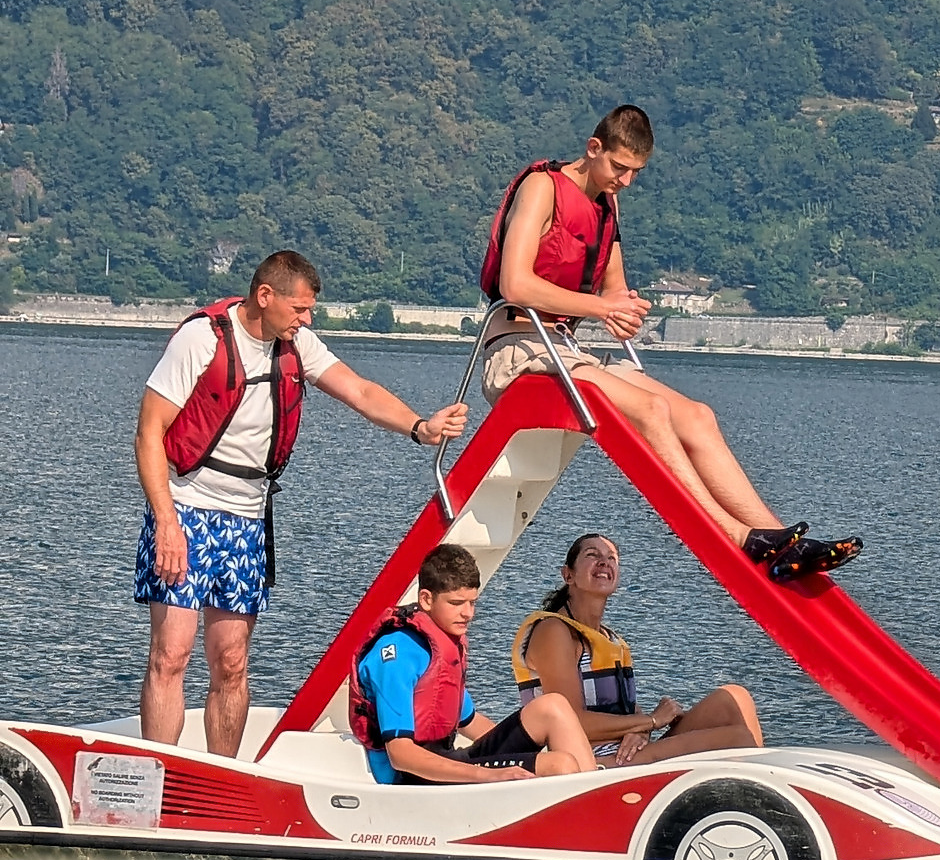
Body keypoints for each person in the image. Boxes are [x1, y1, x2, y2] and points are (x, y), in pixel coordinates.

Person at [479, 104, 861, 583]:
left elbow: (613, 290)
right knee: (652, 411)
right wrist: (600, 309)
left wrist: (625, 310)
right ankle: (735, 535)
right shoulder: (542, 187)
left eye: (636, 172)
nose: (625, 181)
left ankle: (782, 541)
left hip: (565, 350)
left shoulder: (606, 204)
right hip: (517, 350)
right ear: (593, 148)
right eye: (619, 167)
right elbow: (514, 284)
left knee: (698, 416)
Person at [134, 250, 469, 759]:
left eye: (310, 310)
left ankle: (224, 776)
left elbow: (359, 391)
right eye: (300, 309)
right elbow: (149, 433)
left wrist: (421, 427)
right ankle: (157, 773)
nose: (307, 320)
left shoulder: (295, 345)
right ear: (265, 296)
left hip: (247, 517)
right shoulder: (203, 339)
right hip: (186, 506)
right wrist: (165, 521)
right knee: (171, 654)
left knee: (231, 661)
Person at [513, 533, 762, 767]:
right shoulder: (553, 630)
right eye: (592, 555)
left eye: (611, 558)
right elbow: (571, 722)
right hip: (588, 763)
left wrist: (642, 730)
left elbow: (627, 711)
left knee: (733, 699)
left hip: (624, 751)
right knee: (736, 739)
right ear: (568, 575)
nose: (604, 562)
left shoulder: (608, 638)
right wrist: (652, 721)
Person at [350, 546, 594, 783]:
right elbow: (400, 755)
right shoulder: (397, 655)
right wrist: (492, 774)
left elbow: (472, 723)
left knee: (552, 706)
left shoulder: (443, 645)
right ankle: (585, 799)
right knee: (560, 765)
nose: (468, 613)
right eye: (456, 603)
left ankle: (597, 790)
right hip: (412, 777)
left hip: (448, 758)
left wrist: (517, 755)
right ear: (426, 599)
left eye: (472, 602)